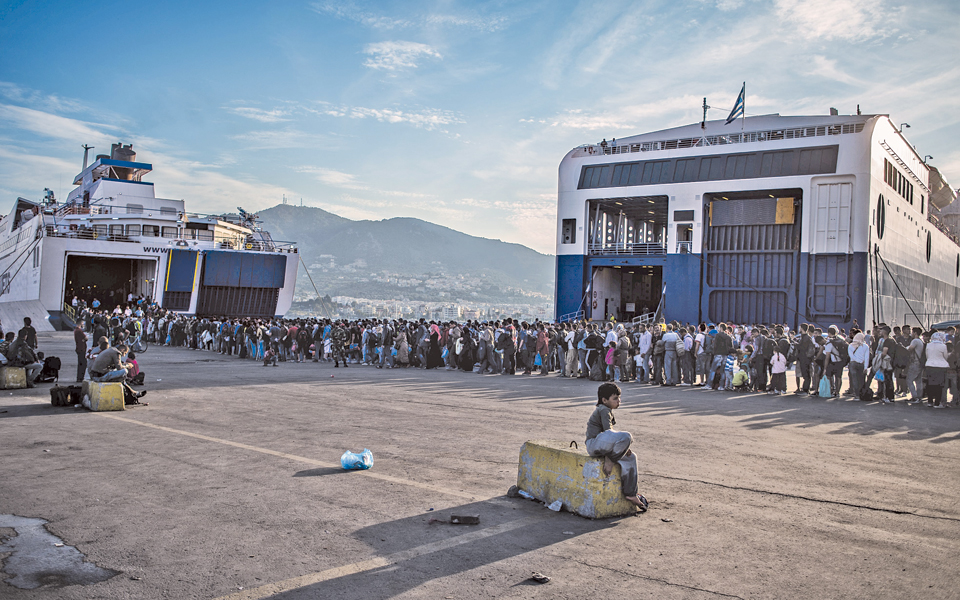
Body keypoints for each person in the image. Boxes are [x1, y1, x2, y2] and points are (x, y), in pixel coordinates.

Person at [584, 383, 648, 511]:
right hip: (594, 444)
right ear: (604, 400)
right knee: (627, 437)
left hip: (603, 445)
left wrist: (624, 448)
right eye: (615, 398)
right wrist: (615, 453)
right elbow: (609, 432)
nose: (619, 401)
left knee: (631, 458)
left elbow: (611, 437)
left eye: (619, 398)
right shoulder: (603, 409)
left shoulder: (607, 410)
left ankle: (631, 494)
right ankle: (610, 459)